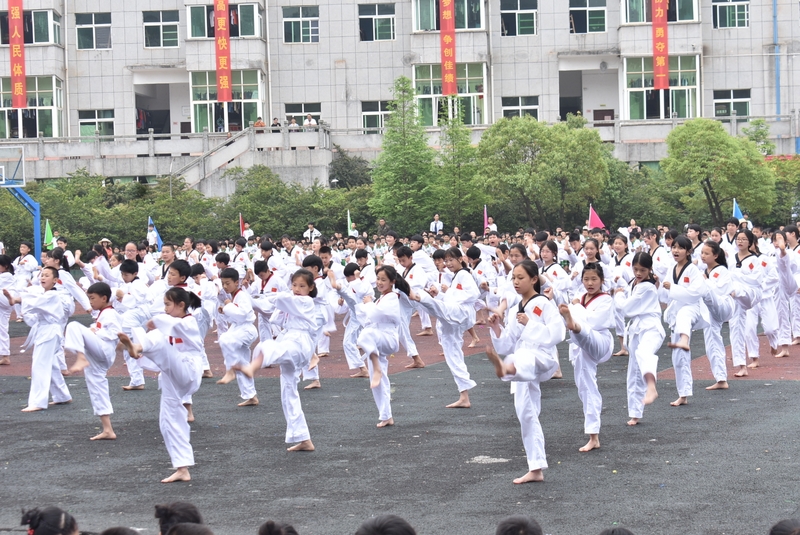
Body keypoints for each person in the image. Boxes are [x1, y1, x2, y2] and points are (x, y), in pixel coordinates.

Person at [484, 260, 564, 483]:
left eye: (521, 278)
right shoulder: (514, 310)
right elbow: (507, 344)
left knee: (523, 358)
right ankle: (536, 468)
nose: (516, 282)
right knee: (526, 414)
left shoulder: (543, 303)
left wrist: (530, 324)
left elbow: (557, 334)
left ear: (534, 279)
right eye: (513, 278)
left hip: (541, 357)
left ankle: (508, 368)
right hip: (522, 363)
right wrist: (496, 328)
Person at [118, 287, 204, 483]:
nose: (164, 308)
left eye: (167, 304)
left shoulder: (189, 322)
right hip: (171, 374)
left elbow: (172, 324)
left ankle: (137, 347)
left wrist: (156, 320)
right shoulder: (166, 326)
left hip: (188, 370)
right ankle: (182, 468)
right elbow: (164, 326)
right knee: (168, 421)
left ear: (181, 305)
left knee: (161, 340)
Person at [237, 269, 317, 452]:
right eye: (294, 285)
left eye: (302, 286)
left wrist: (266, 297)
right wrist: (247, 299)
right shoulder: (290, 300)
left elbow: (281, 299)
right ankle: (303, 438)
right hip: (289, 338)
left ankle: (252, 367)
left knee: (267, 347)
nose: (297, 289)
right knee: (288, 391)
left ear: (311, 288)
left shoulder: (306, 301)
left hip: (299, 343)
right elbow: (269, 307)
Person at [412, 247, 479, 408]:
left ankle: (419, 297)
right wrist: (440, 294)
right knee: (452, 354)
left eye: (451, 260)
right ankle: (464, 396)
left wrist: (448, 292)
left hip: (462, 313)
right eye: (446, 260)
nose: (448, 263)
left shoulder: (463, 274)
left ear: (460, 259)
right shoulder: (456, 276)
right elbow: (452, 298)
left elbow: (473, 294)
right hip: (456, 314)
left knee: (436, 307)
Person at [559, 262, 614, 452]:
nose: (590, 283)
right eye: (586, 279)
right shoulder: (579, 297)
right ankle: (593, 436)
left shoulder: (605, 299)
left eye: (594, 279)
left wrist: (575, 309)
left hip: (600, 342)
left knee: (583, 328)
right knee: (585, 386)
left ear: (602, 280)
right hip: (581, 347)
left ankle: (574, 326)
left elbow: (594, 321)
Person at [4, 266, 73, 412]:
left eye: (47, 275)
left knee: (40, 365)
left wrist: (16, 299)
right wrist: (19, 302)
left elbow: (35, 301)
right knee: (52, 365)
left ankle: (38, 401)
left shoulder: (53, 295)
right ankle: (62, 395)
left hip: (49, 332)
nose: (42, 277)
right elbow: (34, 305)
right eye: (42, 275)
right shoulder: (45, 294)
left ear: (55, 280)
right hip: (47, 331)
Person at [64, 282, 121, 439]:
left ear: (104, 298)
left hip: (104, 349)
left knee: (73, 326)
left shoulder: (111, 313)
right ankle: (108, 429)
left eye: (92, 298)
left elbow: (115, 333)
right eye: (89, 298)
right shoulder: (102, 313)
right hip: (100, 353)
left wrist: (96, 332)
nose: (90, 302)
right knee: (96, 386)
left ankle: (81, 357)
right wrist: (93, 330)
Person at [355, 265, 410, 427]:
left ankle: (377, 367)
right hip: (377, 339)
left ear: (392, 282)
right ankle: (386, 416)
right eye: (378, 279)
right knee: (377, 381)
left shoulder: (392, 297)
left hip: (387, 339)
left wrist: (368, 304)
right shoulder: (381, 299)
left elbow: (375, 314)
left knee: (365, 335)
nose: (379, 282)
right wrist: (364, 305)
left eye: (383, 280)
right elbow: (368, 319)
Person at [614, 252, 663, 425]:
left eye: (643, 270)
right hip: (636, 329)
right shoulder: (635, 283)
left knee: (644, 353)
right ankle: (635, 412)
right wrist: (621, 286)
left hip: (651, 328)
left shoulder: (646, 287)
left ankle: (651, 386)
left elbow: (625, 309)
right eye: (635, 269)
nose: (638, 273)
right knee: (634, 370)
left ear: (650, 269)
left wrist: (618, 295)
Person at [660, 235, 709, 407]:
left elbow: (696, 293)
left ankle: (684, 339)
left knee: (683, 316)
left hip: (691, 307)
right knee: (678, 358)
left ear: (688, 251)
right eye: (674, 247)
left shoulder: (693, 270)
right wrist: (664, 286)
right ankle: (684, 394)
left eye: (680, 248)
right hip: (676, 310)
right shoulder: (672, 268)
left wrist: (673, 288)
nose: (676, 250)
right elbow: (665, 292)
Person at [215, 268, 259, 406]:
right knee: (242, 363)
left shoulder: (242, 295)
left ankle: (230, 370)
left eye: (228, 283)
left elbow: (243, 315)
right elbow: (235, 316)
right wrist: (225, 310)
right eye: (223, 283)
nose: (225, 286)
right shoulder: (235, 296)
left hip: (247, 330)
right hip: (238, 329)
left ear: (236, 282)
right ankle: (251, 396)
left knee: (225, 340)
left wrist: (228, 306)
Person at [0, 255, 15, 366]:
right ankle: (5, 356)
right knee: (2, 328)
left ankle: (5, 356)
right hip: (5, 303)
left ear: (5, 266)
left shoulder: (7, 276)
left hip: (7, 300)